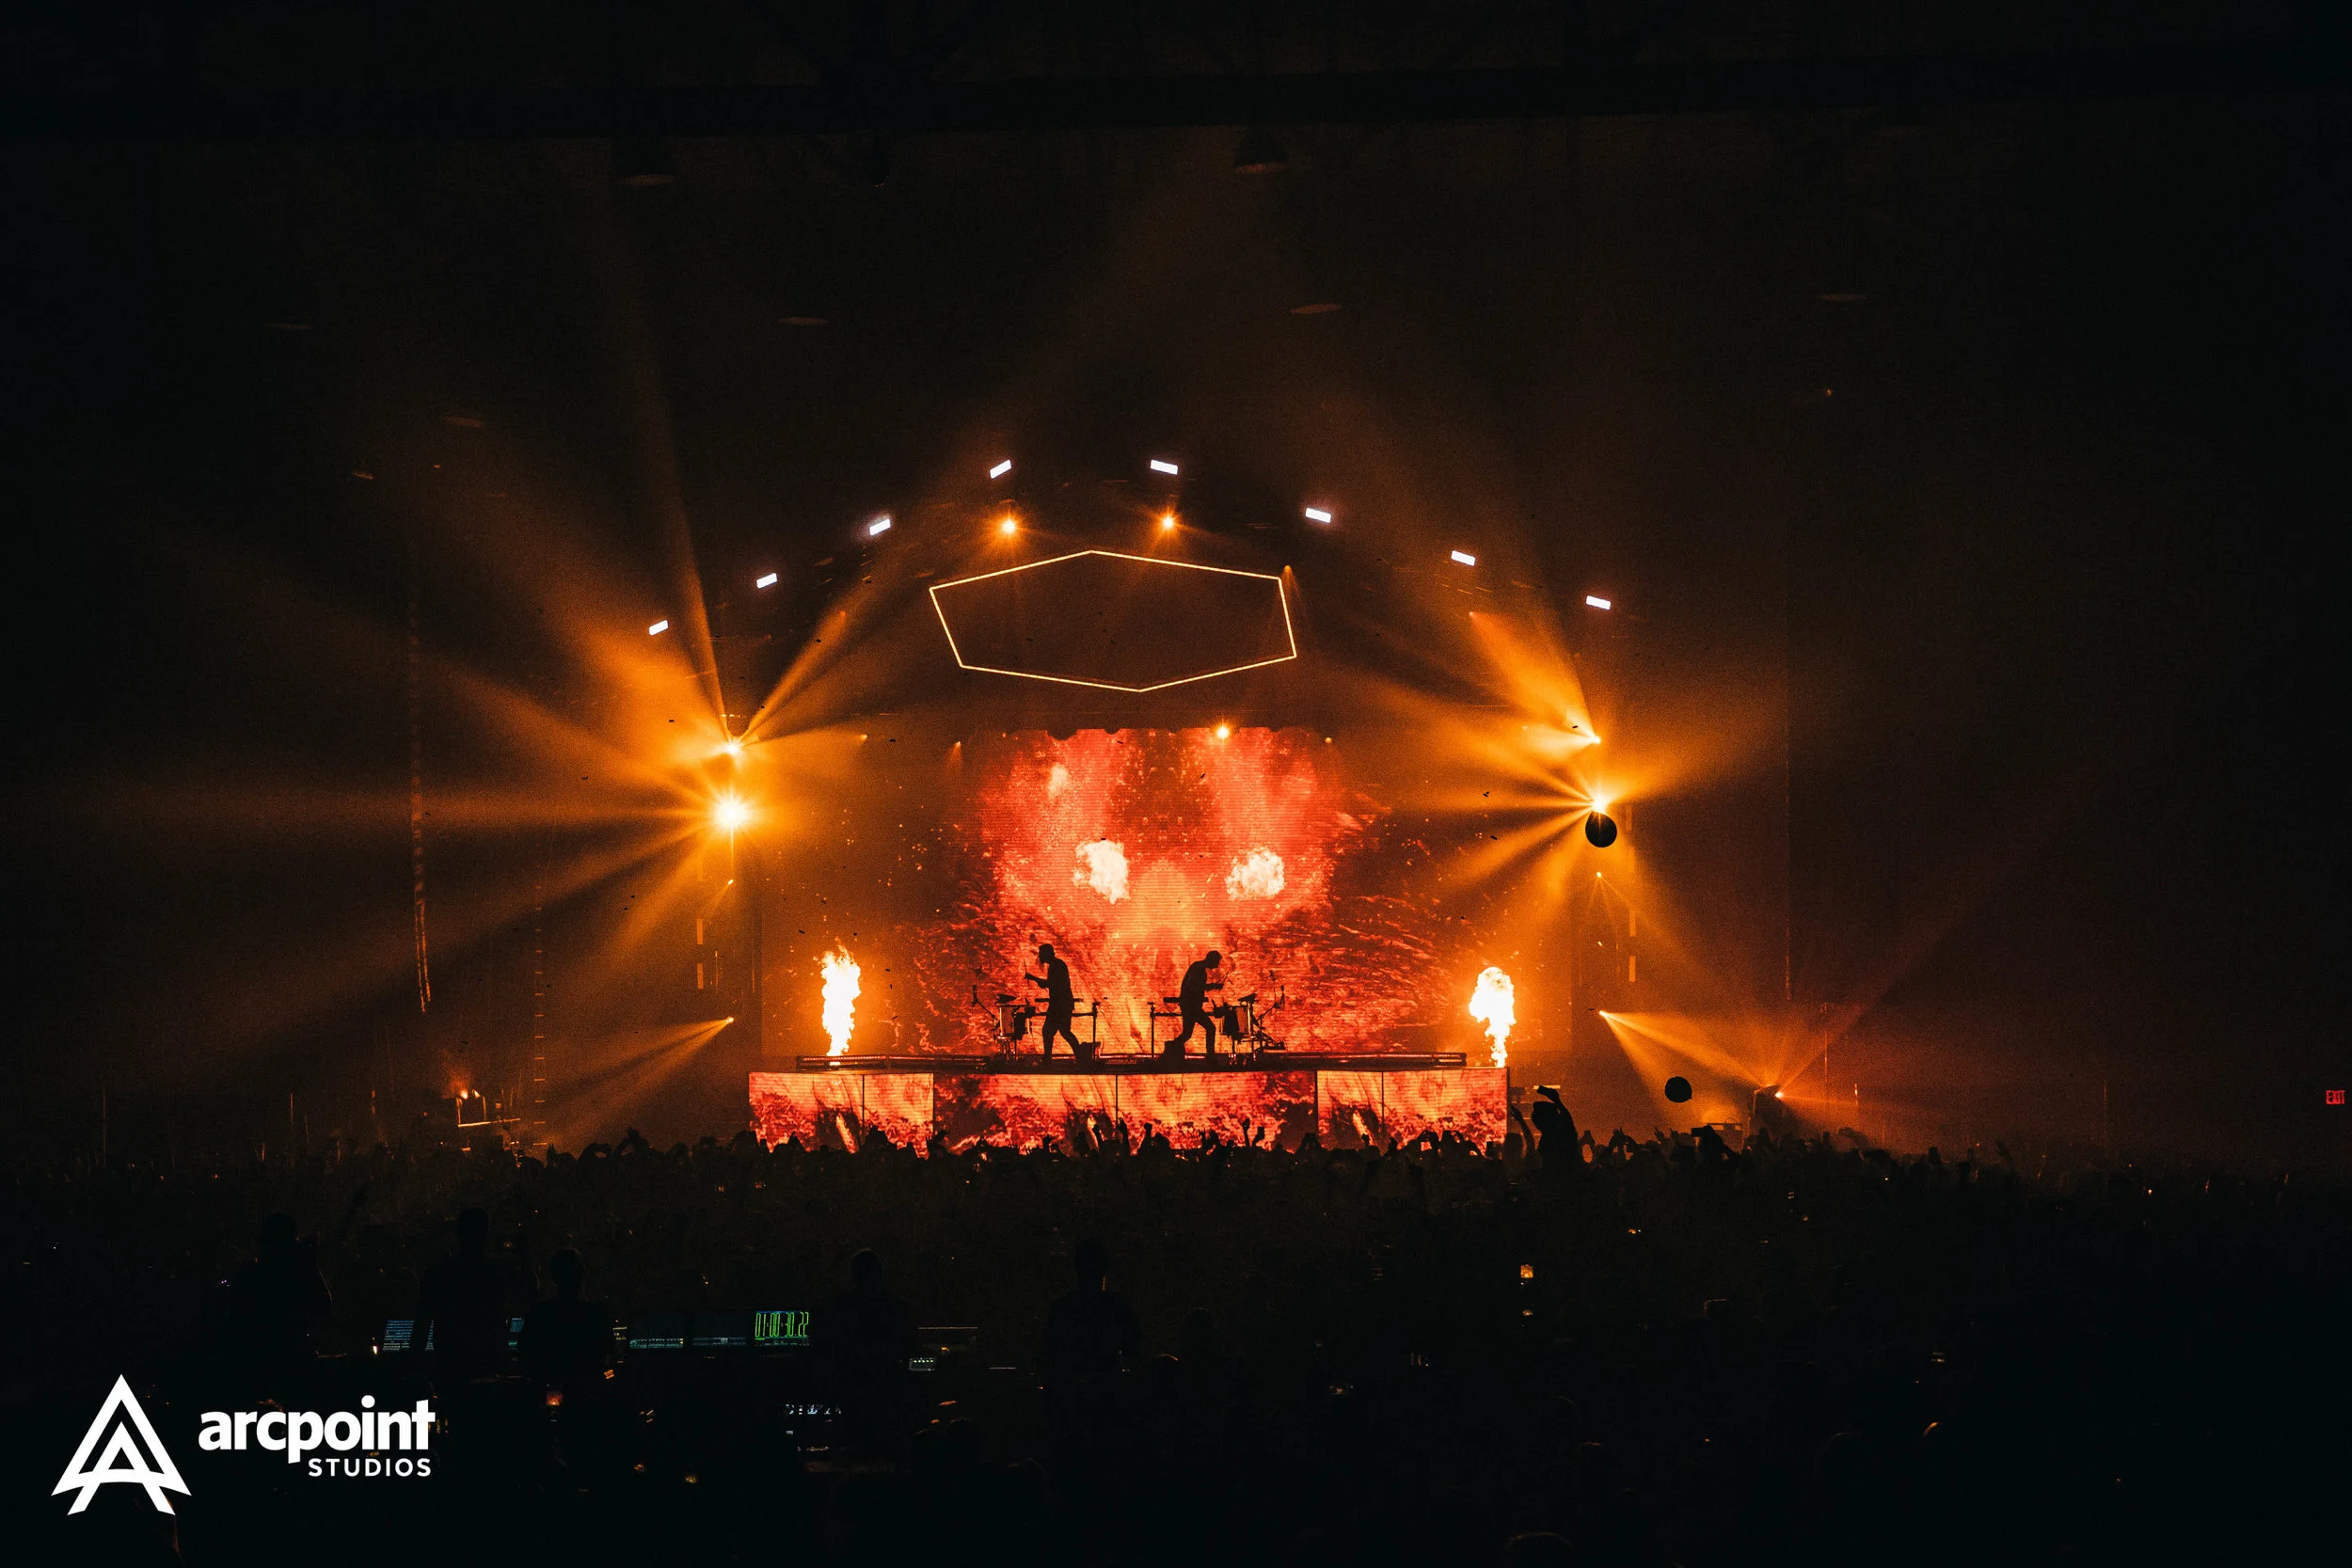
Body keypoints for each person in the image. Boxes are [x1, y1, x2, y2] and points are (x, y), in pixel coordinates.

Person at [417, 1207, 511, 1382]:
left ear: (458, 1233)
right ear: (486, 1234)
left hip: (450, 1363)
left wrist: (415, 1363)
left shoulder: (441, 1273)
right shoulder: (496, 1272)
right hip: (488, 1363)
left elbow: (422, 1323)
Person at [1167, 949, 1235, 1060]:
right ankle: (1210, 1057)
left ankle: (1170, 1050)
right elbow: (1194, 987)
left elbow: (1196, 986)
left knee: (1187, 1034)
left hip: (1190, 1005)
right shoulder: (1198, 968)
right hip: (1191, 1006)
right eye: (1217, 962)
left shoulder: (1198, 967)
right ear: (1211, 960)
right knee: (1210, 1028)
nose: (1217, 965)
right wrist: (1212, 986)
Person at [1025, 942, 1086, 1059]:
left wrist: (1034, 978)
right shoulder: (1057, 964)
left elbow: (1051, 983)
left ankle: (1048, 1059)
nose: (1039, 956)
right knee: (1064, 1032)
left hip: (1059, 1005)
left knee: (1049, 1031)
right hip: (1063, 1004)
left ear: (1047, 954)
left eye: (1041, 954)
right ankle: (1080, 1057)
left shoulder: (1056, 966)